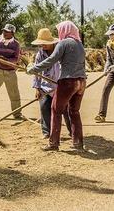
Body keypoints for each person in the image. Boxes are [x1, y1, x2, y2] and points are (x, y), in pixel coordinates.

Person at [27, 21, 87, 152]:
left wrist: (34, 69)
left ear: (64, 30)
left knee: (56, 110)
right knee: (74, 111)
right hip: (81, 82)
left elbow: (51, 60)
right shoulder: (80, 45)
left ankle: (53, 143)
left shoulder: (63, 43)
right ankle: (78, 143)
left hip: (68, 82)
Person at [31, 28, 71, 139]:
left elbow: (64, 67)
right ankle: (46, 132)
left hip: (60, 85)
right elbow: (37, 71)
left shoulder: (60, 50)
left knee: (66, 110)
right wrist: (37, 88)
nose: (43, 45)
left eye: (45, 43)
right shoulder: (40, 54)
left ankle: (72, 131)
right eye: (41, 43)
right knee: (44, 107)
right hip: (45, 86)